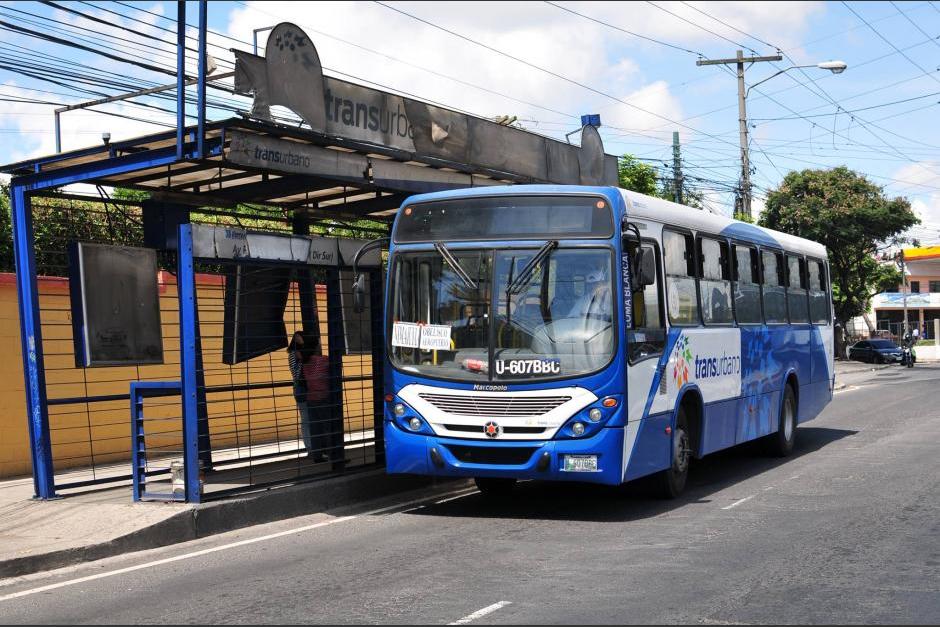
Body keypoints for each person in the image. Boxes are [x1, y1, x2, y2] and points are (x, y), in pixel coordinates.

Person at [300, 332, 333, 464]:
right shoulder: (323, 360)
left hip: (311, 398)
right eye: (318, 343)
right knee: (328, 426)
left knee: (315, 427)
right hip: (323, 396)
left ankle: (317, 455)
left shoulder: (305, 362)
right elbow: (336, 366)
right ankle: (333, 453)